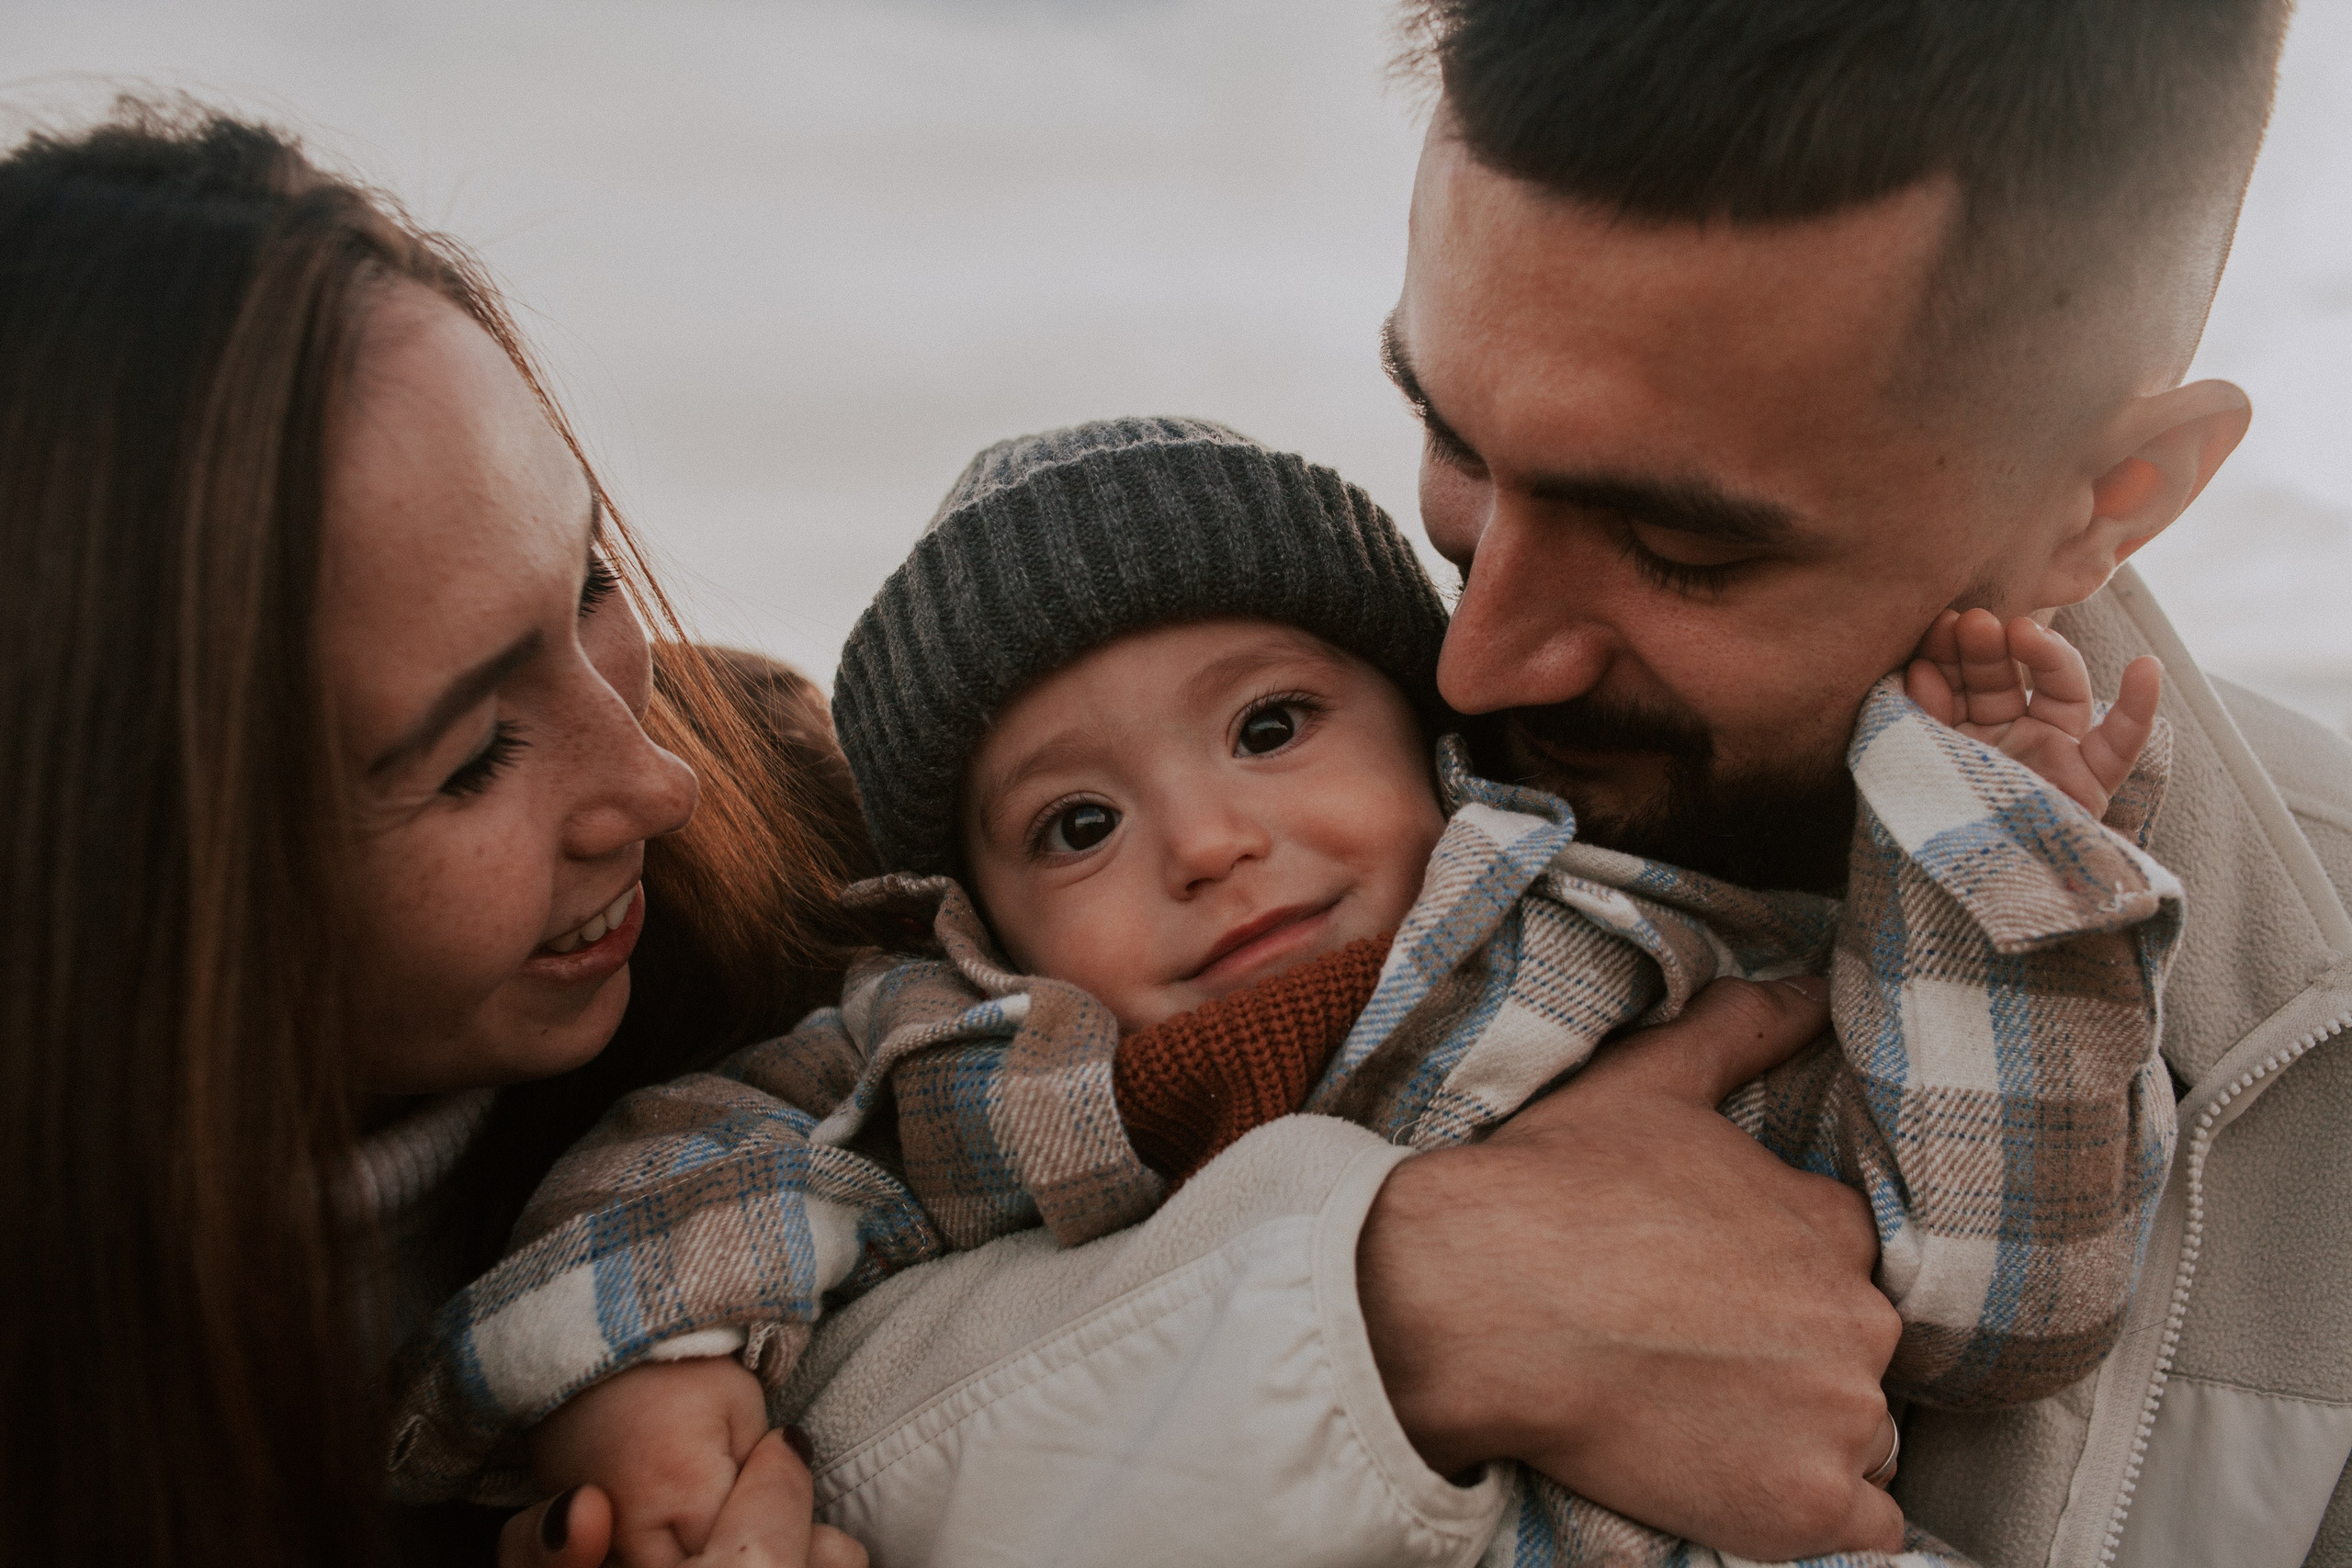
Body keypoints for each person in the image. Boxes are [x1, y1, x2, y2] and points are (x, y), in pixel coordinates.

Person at [548, 5, 2343, 1567]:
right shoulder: (1058, 984)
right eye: (1453, 442)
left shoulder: (2309, 1046)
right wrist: (1386, 1313)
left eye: (1671, 544)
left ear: (2108, 498)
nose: (1471, 661)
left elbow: (1997, 1276)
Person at [391, 418, 2178, 1568]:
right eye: (1074, 823)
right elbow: (695, 1150)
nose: (1205, 838)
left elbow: (1997, 1281)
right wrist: (646, 1383)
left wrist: (1973, 838)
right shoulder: (953, 1054)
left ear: (1428, 730)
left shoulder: (1637, 939)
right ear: (983, 918)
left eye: (1268, 726)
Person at [0, 105, 866, 1568]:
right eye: (474, 761)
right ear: (120, 880)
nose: (659, 785)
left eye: (591, 584)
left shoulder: (850, 845)